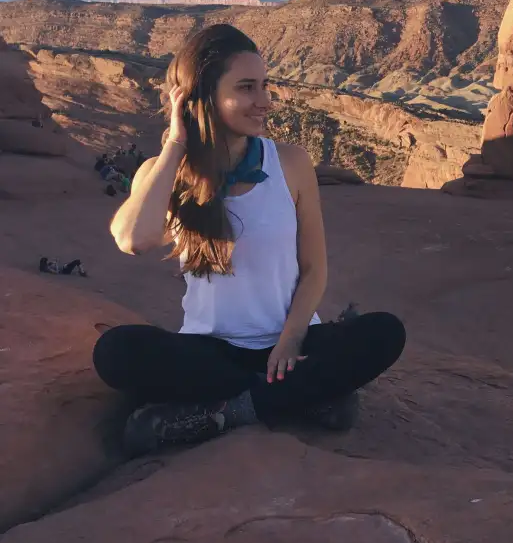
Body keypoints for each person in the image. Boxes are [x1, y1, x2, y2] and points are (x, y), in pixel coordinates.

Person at [93, 23, 406, 457]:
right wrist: (176, 145)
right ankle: (305, 398)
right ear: (200, 96)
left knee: (384, 332)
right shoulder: (167, 173)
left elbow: (314, 269)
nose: (264, 102)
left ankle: (230, 411)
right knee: (116, 352)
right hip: (211, 353)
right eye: (246, 87)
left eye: (265, 86)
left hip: (289, 344)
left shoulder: (291, 163)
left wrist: (292, 338)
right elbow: (132, 239)